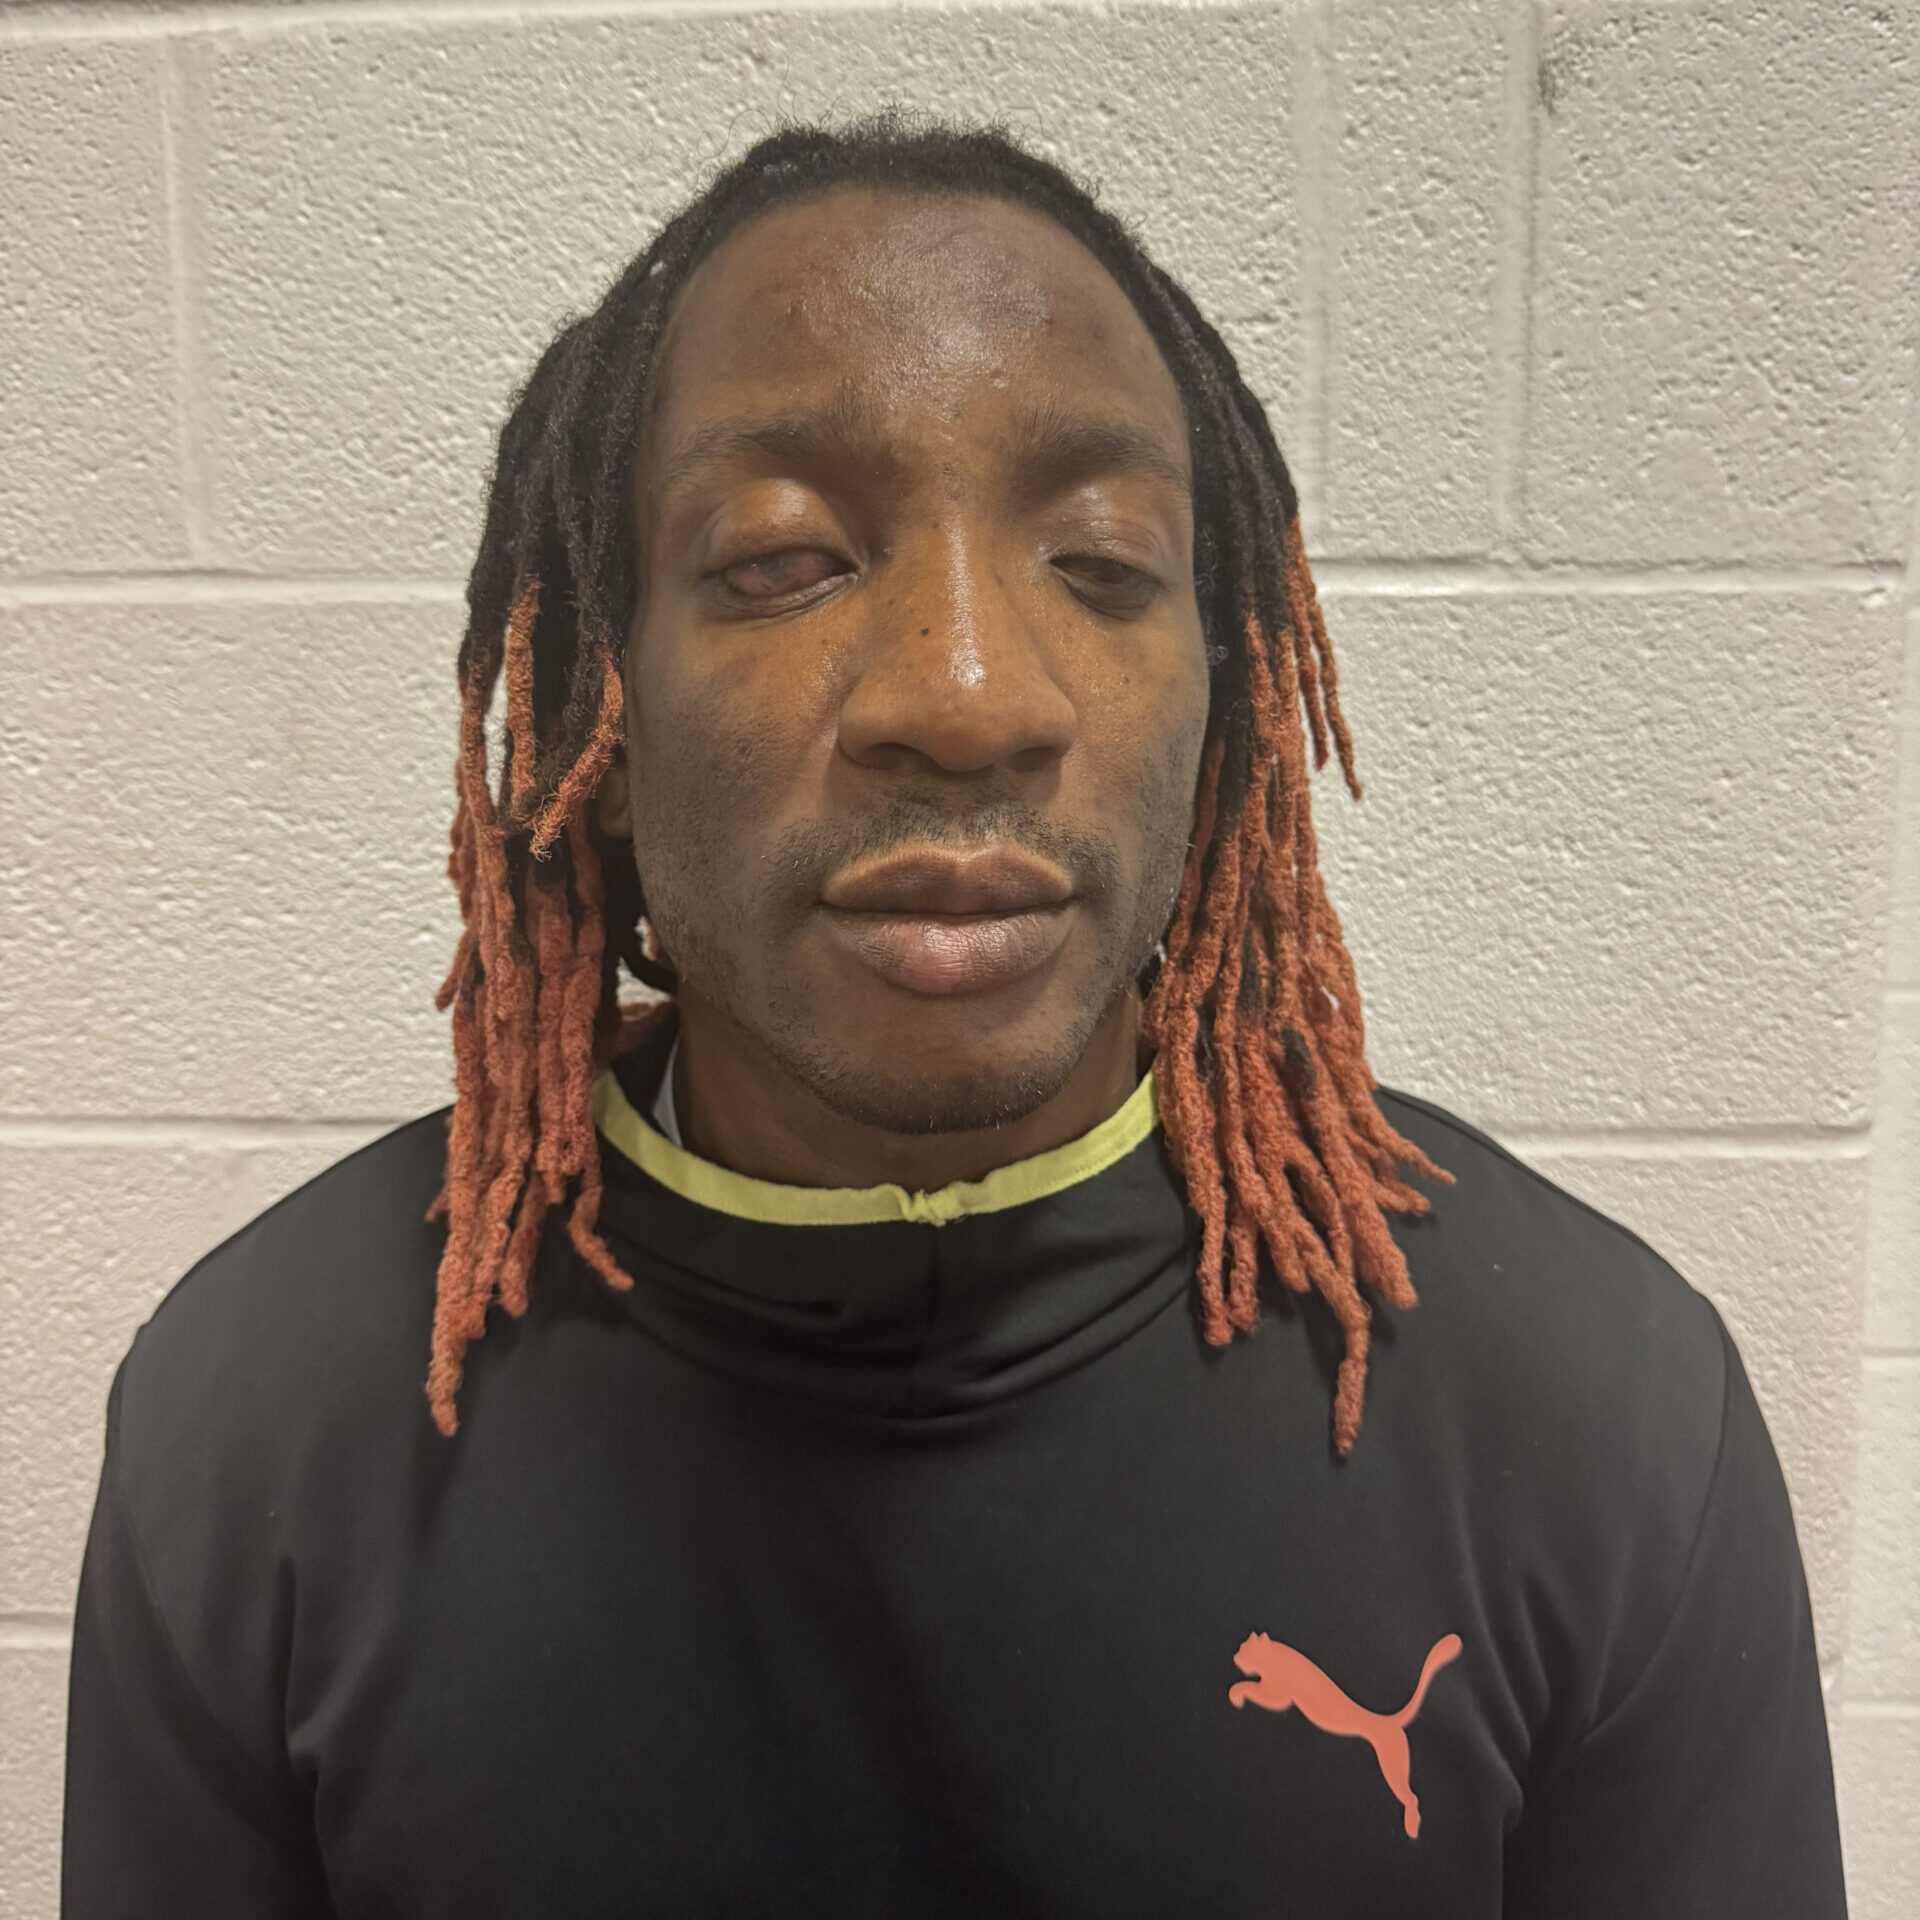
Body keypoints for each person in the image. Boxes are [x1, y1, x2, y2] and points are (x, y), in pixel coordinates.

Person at [62, 119, 1845, 1918]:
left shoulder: (1598, 1419)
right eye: (779, 560)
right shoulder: (258, 1434)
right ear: (591, 724)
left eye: (1100, 560)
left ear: (1227, 720)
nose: (968, 692)